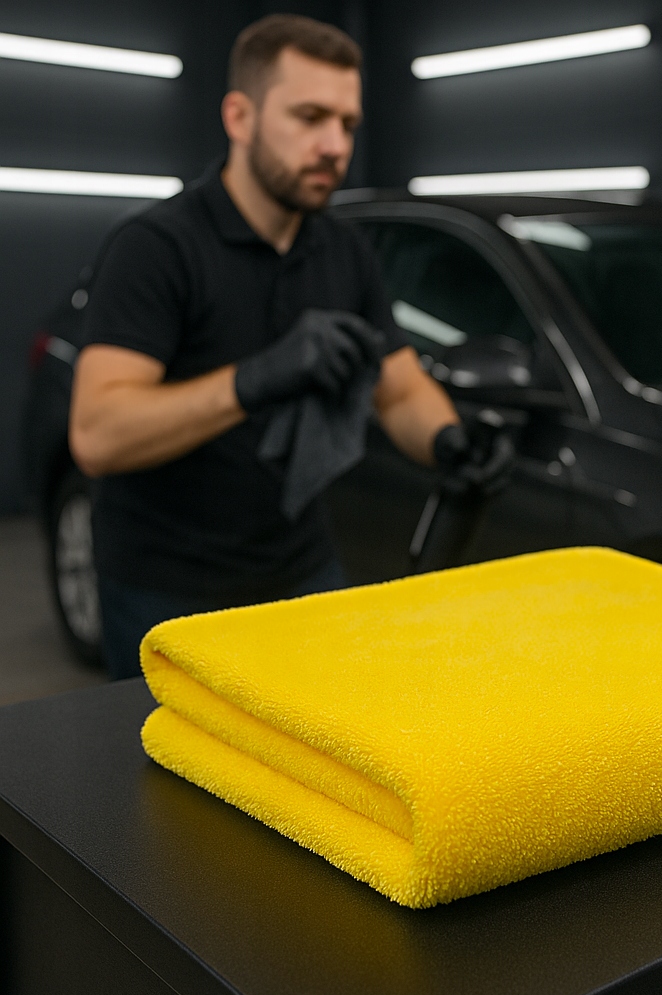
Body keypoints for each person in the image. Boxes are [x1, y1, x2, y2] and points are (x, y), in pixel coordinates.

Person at [69, 14, 510, 681]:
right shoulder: (156, 249)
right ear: (239, 117)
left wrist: (449, 441)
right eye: (309, 118)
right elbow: (99, 434)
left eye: (348, 124)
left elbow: (399, 388)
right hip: (169, 590)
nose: (334, 145)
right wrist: (253, 380)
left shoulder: (343, 251)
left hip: (303, 571)